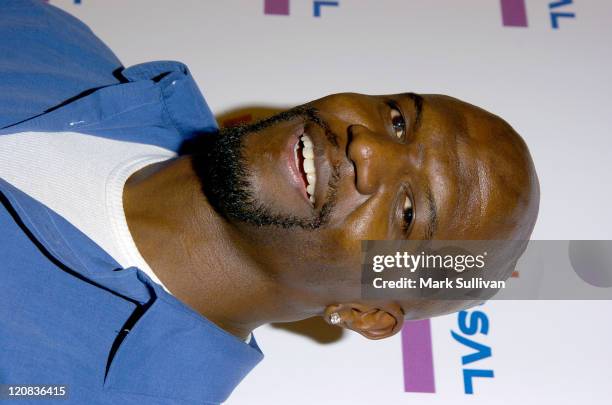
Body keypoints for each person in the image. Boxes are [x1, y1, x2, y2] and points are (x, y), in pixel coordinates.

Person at [0, 1, 539, 404]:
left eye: (408, 213)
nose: (367, 146)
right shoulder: (52, 39)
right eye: (398, 120)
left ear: (365, 313)